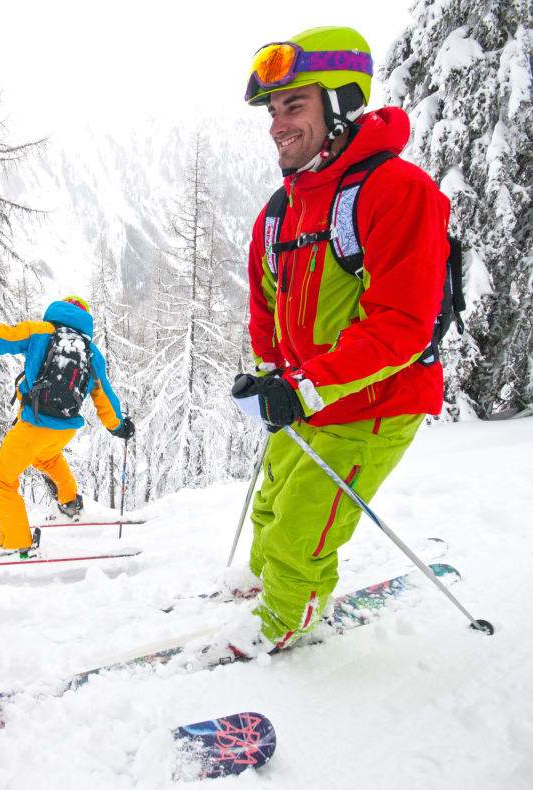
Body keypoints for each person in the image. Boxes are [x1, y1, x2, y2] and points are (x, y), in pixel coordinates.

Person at [225, 26, 451, 657]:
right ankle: (264, 588)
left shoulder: (397, 191)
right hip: (310, 398)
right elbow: (265, 305)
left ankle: (282, 627)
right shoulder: (281, 209)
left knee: (302, 529)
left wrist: (302, 386)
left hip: (378, 401)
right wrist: (272, 376)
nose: (277, 124)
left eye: (293, 105)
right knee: (271, 507)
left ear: (341, 103)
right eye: (273, 110)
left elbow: (402, 324)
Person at [0, 296, 134, 556]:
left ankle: (16, 542)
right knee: (48, 458)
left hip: (35, 423)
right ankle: (70, 504)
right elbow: (105, 396)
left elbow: (0, 339)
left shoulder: (41, 331)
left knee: (1, 480)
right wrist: (118, 426)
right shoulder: (91, 352)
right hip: (65, 429)